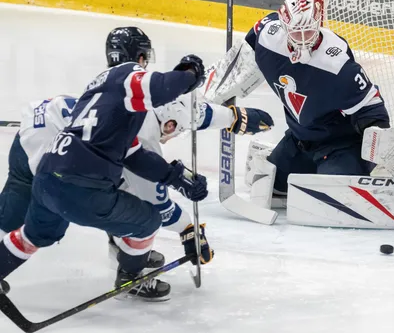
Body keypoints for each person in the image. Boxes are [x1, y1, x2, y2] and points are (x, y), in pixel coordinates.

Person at [0, 27, 274, 299]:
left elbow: (175, 123)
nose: (173, 133)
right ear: (141, 57)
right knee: (144, 219)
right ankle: (131, 277)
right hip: (65, 172)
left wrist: (232, 119)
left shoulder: (104, 93)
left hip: (48, 170)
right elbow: (155, 200)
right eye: (173, 128)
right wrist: (190, 72)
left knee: (34, 232)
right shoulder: (133, 88)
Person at [201, 0, 394, 232]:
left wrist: (379, 144)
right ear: (283, 23)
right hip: (299, 140)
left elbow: (373, 114)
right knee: (270, 186)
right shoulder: (269, 35)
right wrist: (209, 91)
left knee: (335, 203)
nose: (302, 40)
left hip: (339, 146)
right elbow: (240, 58)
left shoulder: (339, 66)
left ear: (319, 19)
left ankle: (369, 179)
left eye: (309, 31)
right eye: (296, 33)